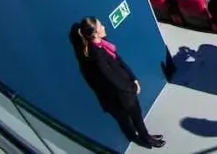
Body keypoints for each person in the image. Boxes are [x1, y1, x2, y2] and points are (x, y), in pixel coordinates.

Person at [69, 17, 165, 149]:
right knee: (135, 116)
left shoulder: (103, 44)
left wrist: (133, 78)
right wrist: (131, 87)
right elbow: (111, 77)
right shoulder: (96, 55)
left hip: (126, 88)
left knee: (135, 115)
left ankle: (144, 135)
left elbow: (119, 61)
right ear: (95, 33)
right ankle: (146, 138)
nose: (104, 27)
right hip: (123, 94)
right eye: (100, 26)